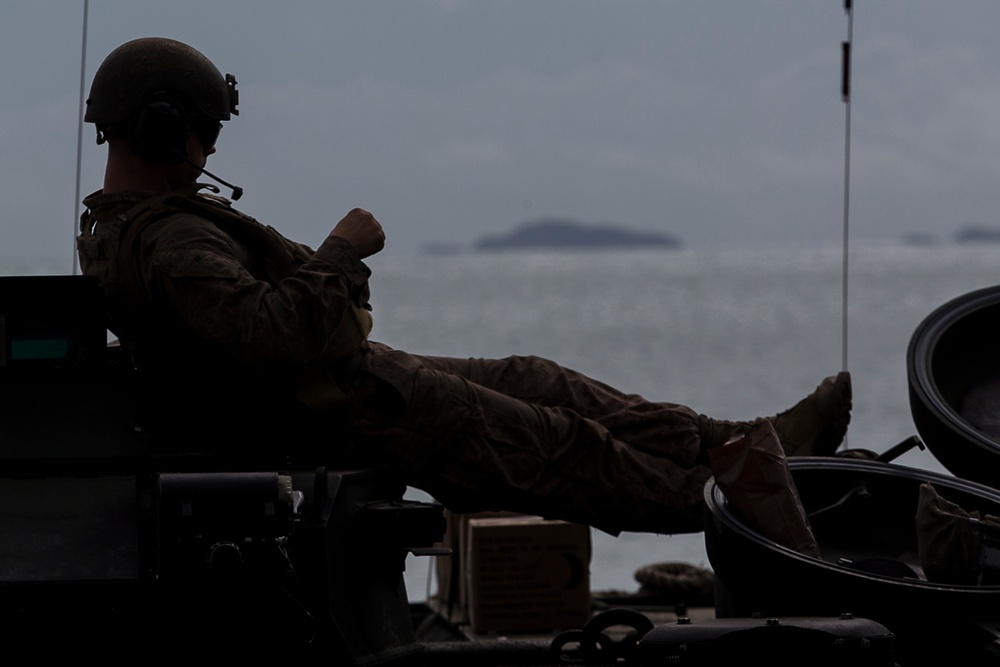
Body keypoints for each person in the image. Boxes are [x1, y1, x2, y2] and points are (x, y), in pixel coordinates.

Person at [77, 38, 851, 536]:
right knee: (560, 448)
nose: (209, 147)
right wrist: (342, 252)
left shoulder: (138, 229)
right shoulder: (170, 238)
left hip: (351, 384)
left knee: (539, 381)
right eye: (205, 131)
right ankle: (762, 504)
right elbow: (269, 334)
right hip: (339, 410)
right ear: (161, 128)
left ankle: (746, 439)